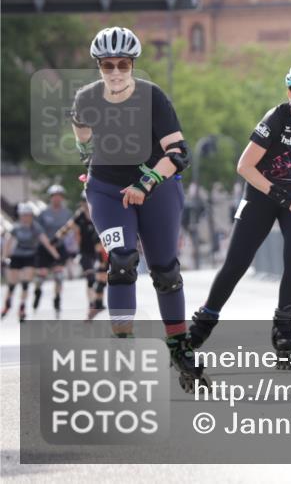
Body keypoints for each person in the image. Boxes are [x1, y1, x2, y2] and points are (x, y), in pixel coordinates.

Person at [189, 62, 291, 366]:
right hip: (262, 196)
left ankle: (283, 327)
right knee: (236, 263)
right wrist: (280, 195)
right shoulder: (275, 119)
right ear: (290, 93)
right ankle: (203, 323)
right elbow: (244, 167)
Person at [70, 26, 206, 391]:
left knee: (165, 271)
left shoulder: (152, 98)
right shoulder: (86, 98)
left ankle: (178, 344)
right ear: (99, 66)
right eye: (108, 65)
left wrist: (145, 183)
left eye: (123, 64)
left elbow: (179, 153)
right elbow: (81, 129)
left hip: (155, 186)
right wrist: (88, 157)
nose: (115, 72)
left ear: (133, 65)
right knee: (122, 261)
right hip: (107, 189)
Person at [2, 203, 61, 322]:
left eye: (28, 215)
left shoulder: (36, 227)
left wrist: (55, 255)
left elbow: (45, 242)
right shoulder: (16, 227)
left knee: (25, 283)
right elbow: (8, 242)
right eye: (23, 215)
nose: (25, 217)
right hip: (17, 256)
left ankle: (22, 307)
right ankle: (7, 305)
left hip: (30, 256)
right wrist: (4, 257)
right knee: (12, 285)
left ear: (31, 216)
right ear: (20, 216)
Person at [33, 184, 73, 315]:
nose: (57, 199)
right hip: (45, 247)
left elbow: (70, 230)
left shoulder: (67, 213)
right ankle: (37, 292)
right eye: (54, 196)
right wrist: (48, 245)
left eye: (59, 196)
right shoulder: (43, 213)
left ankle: (57, 299)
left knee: (59, 276)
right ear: (51, 198)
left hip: (59, 247)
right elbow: (38, 232)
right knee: (41, 277)